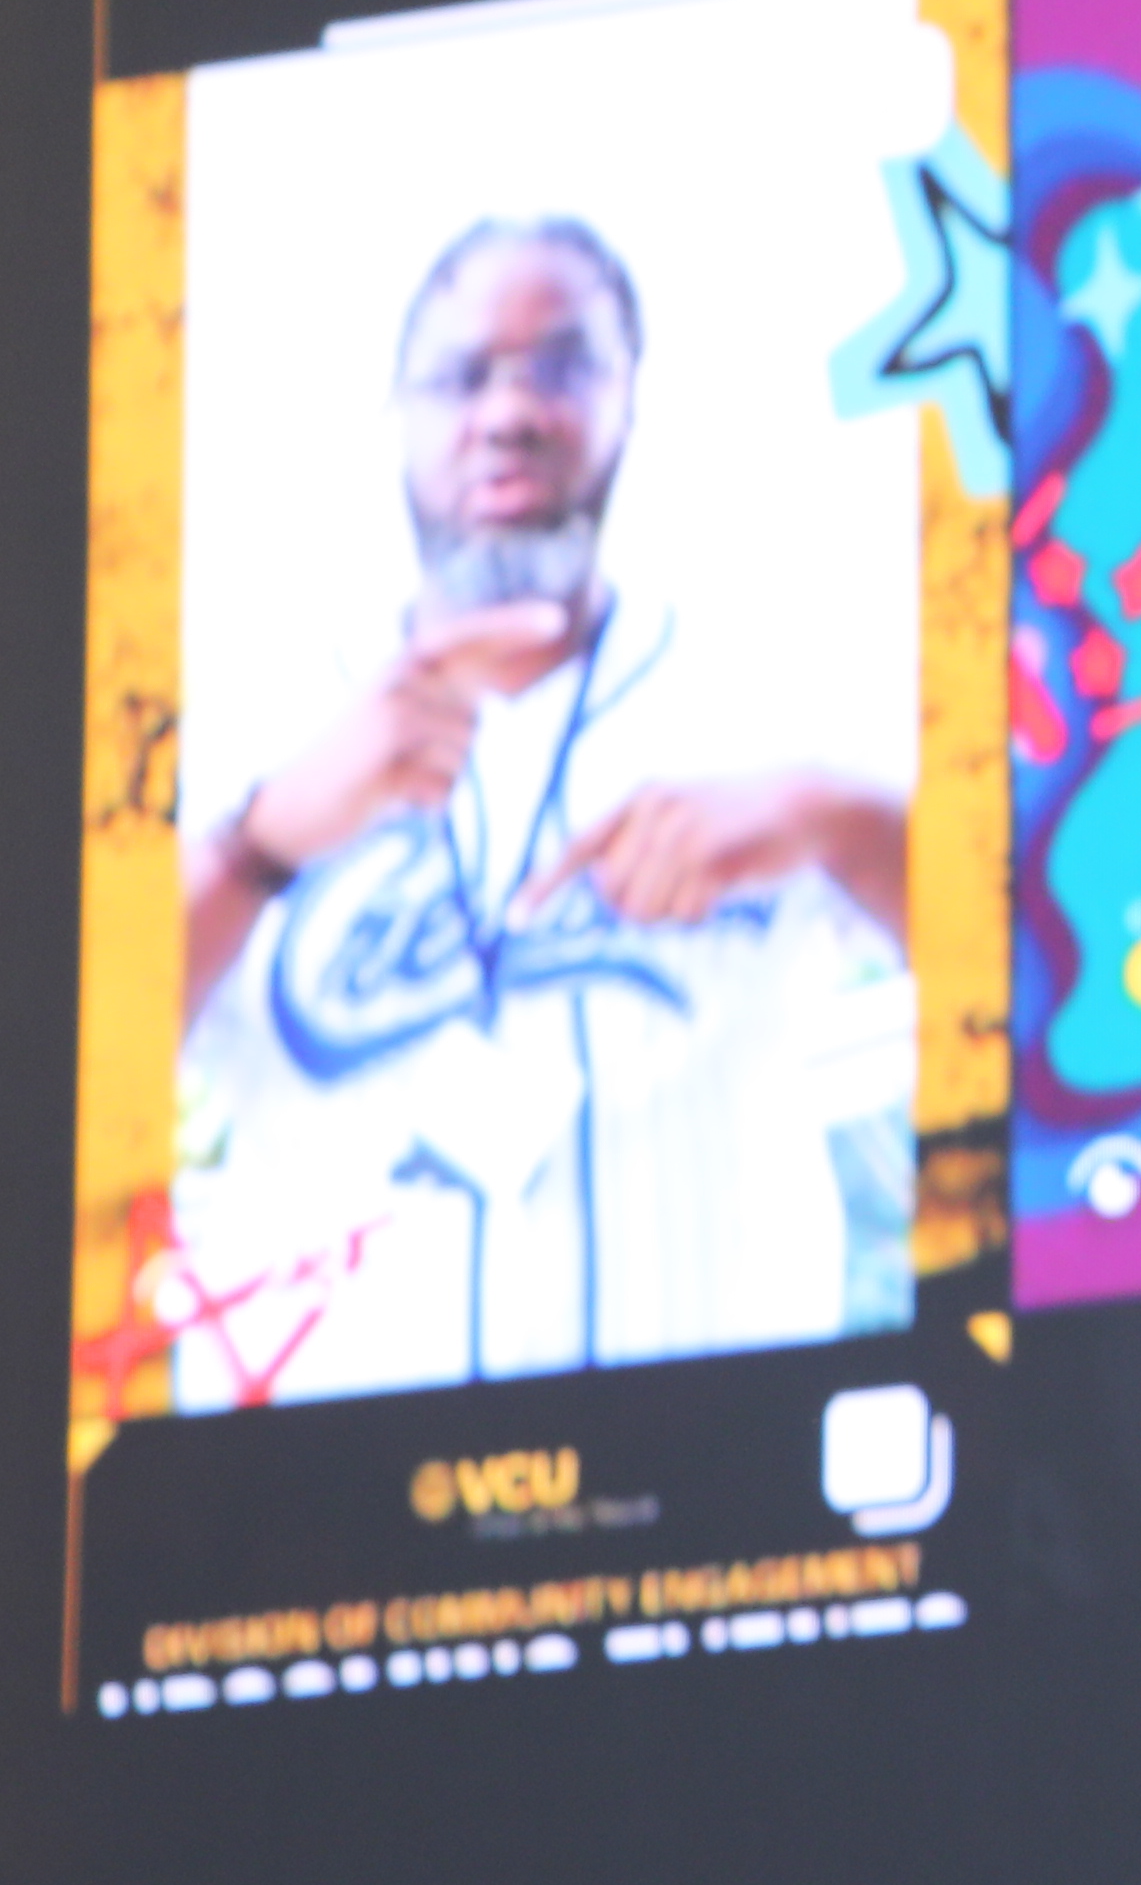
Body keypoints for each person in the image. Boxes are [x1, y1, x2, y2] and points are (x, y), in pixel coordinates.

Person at [172, 212, 916, 1401]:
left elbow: (1055, 991)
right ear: (396, 413)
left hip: (723, 1499)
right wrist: (256, 844)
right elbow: (72, 1069)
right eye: (462, 374)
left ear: (631, 395)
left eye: (562, 365)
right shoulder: (240, 725)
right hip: (316, 1526)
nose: (510, 411)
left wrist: (846, 822)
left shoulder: (777, 696)